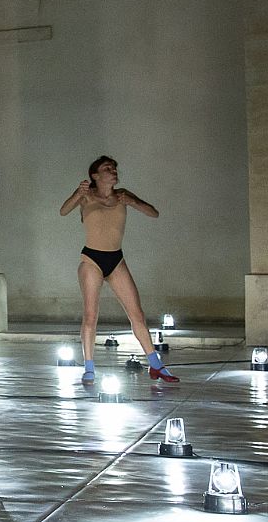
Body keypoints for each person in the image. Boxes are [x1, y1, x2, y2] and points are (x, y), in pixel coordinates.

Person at [58, 155, 178, 384]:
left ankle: (156, 365)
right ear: (95, 175)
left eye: (114, 168)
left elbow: (153, 213)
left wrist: (132, 202)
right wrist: (77, 193)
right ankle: (89, 367)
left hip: (116, 259)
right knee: (91, 315)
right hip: (92, 259)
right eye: (107, 168)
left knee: (137, 314)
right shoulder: (86, 195)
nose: (113, 171)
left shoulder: (122, 195)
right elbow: (63, 211)